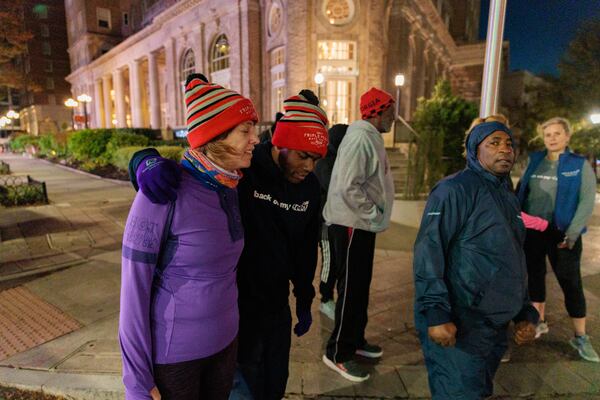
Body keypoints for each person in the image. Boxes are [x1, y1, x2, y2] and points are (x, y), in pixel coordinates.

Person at [128, 90, 328, 399]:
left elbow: (305, 247)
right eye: (303, 155)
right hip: (233, 314)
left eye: (316, 159)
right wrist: (142, 161)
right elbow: (133, 288)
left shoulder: (292, 187)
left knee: (274, 385)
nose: (309, 167)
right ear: (281, 143)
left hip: (265, 312)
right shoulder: (245, 171)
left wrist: (304, 296)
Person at [119, 74, 259, 400]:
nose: (255, 139)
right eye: (245, 131)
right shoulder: (164, 189)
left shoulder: (232, 185)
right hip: (176, 357)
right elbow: (133, 290)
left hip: (225, 346)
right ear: (214, 137)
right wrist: (137, 382)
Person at [413, 115, 538, 399]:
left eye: (509, 143)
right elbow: (429, 251)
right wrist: (436, 313)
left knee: (478, 391)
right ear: (474, 150)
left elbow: (513, 256)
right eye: (494, 143)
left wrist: (523, 311)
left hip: (494, 327)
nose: (505, 149)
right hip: (461, 323)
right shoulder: (454, 189)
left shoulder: (506, 194)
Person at [321, 88, 396, 382]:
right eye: (391, 109)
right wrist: (374, 215)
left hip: (359, 224)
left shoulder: (367, 136)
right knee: (351, 289)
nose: (395, 115)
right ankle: (338, 353)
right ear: (377, 111)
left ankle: (354, 341)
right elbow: (348, 187)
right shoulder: (362, 136)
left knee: (359, 288)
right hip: (353, 223)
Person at [517, 117, 598, 362]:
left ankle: (580, 336)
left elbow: (586, 201)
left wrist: (572, 234)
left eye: (556, 134)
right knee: (535, 278)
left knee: (570, 283)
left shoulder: (578, 164)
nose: (551, 138)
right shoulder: (535, 160)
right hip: (534, 231)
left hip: (563, 233)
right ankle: (539, 322)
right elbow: (522, 190)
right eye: (548, 134)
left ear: (567, 136)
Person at [313, 123, 349, 320]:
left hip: (338, 220)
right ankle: (326, 299)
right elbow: (334, 187)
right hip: (326, 221)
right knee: (329, 261)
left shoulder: (337, 160)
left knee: (338, 261)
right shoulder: (325, 162)